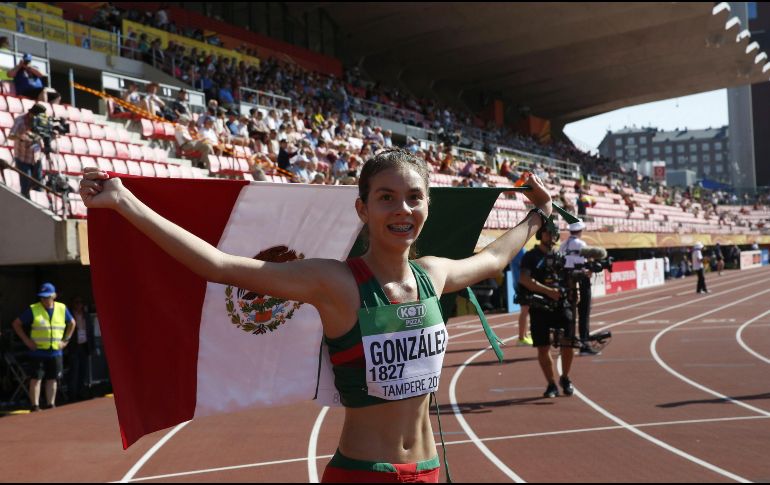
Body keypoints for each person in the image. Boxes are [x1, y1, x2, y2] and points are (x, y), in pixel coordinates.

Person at [79, 149, 552, 483]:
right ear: (362, 209)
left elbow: (492, 260)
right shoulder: (335, 284)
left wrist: (537, 217)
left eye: (414, 197)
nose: (402, 209)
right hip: (364, 474)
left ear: (428, 206)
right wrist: (124, 203)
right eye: (386, 198)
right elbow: (218, 266)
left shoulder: (434, 274)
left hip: (428, 471)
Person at [517, 221, 575, 398]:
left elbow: (571, 279)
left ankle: (565, 378)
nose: (551, 236)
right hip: (540, 307)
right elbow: (524, 280)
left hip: (561, 305)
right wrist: (549, 291)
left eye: (554, 233)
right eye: (548, 233)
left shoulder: (563, 256)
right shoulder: (531, 256)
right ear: (540, 234)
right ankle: (551, 384)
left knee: (568, 343)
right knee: (543, 347)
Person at [11, 283, 76, 411]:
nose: (44, 300)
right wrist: (27, 341)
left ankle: (50, 404)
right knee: (36, 379)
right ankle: (34, 406)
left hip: (55, 351)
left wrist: (66, 340)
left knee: (52, 379)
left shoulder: (62, 308)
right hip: (38, 351)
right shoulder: (33, 309)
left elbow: (72, 323)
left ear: (54, 296)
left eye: (47, 297)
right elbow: (16, 324)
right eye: (42, 297)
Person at [559, 220, 597, 356]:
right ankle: (584, 344)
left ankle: (567, 343)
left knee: (568, 314)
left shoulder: (562, 245)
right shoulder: (582, 244)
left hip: (566, 282)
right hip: (581, 280)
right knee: (584, 313)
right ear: (580, 231)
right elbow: (588, 263)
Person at [8, 102, 46, 198]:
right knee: (26, 184)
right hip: (22, 157)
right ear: (32, 113)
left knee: (39, 185)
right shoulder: (20, 120)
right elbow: (10, 136)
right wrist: (21, 136)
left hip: (36, 157)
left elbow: (43, 135)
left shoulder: (42, 121)